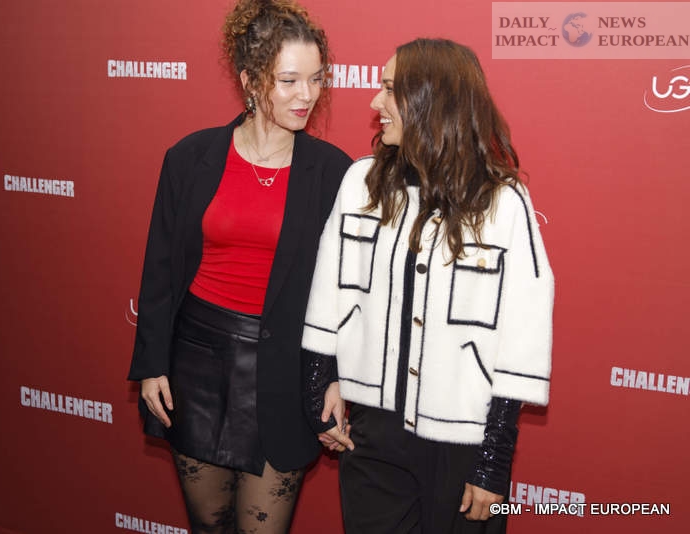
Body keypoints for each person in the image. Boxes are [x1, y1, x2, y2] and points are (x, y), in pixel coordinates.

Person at [301, 38, 554, 533]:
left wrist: (494, 459)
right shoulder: (362, 183)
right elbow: (328, 290)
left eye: (389, 89)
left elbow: (522, 339)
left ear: (430, 100)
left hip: (465, 443)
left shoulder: (504, 203)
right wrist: (318, 381)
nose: (375, 101)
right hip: (371, 435)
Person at [127, 1, 352, 532]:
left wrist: (335, 379)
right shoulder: (190, 157)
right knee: (209, 524)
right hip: (196, 364)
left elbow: (346, 294)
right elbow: (160, 270)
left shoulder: (334, 173)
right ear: (251, 82)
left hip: (284, 371)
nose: (306, 95)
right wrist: (152, 364)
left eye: (316, 79)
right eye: (289, 81)